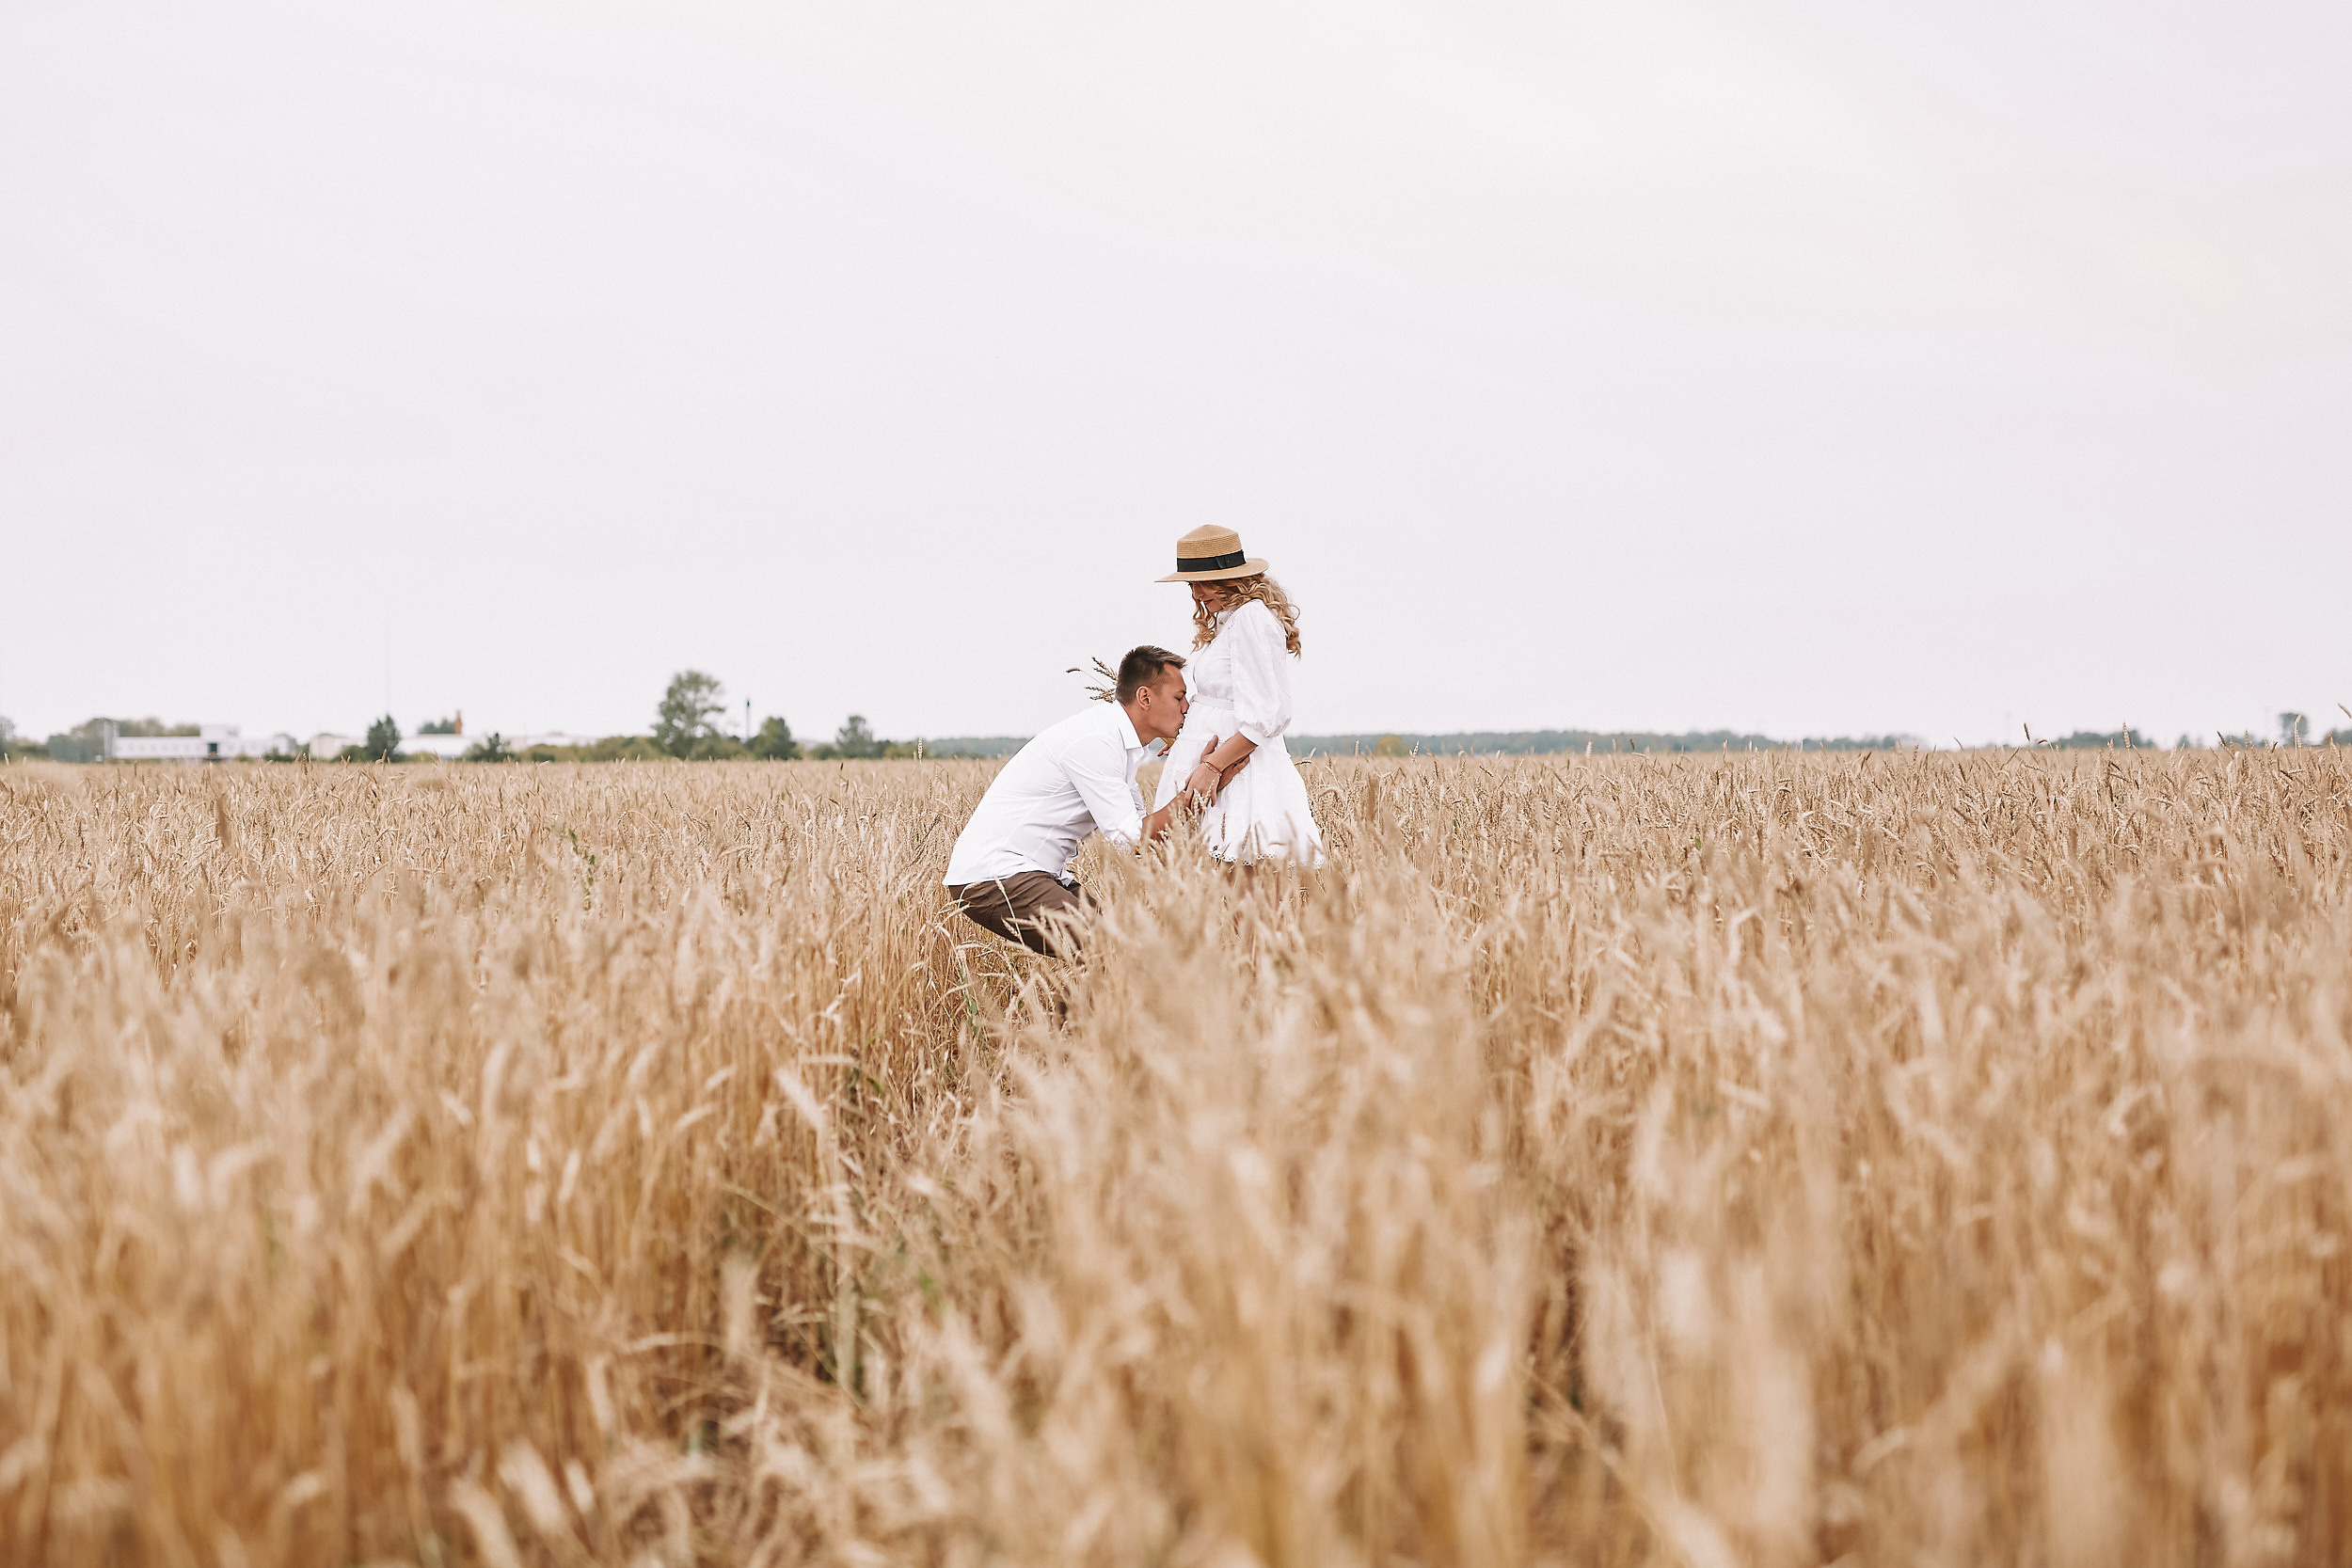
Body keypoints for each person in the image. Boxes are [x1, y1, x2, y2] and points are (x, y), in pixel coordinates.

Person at [943, 644, 1214, 957]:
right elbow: (1131, 838)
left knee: (1124, 952)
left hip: (1032, 873)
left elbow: (1145, 844)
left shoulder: (1119, 747)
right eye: (1179, 698)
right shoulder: (1097, 742)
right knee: (1106, 950)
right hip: (994, 876)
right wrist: (1206, 776)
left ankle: (1069, 1009)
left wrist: (1203, 768)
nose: (1186, 708)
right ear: (1145, 698)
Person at [1149, 526, 1326, 868]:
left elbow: (1267, 715)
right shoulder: (1231, 621)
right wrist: (1190, 738)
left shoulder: (1251, 619)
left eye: (1203, 582)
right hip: (1219, 765)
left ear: (1229, 578)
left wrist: (1211, 765)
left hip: (1239, 774)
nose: (1196, 594)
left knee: (1240, 897)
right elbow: (1228, 703)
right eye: (1190, 584)